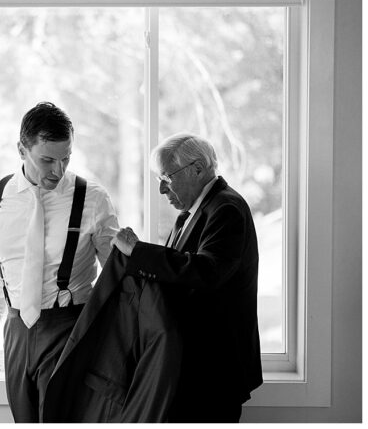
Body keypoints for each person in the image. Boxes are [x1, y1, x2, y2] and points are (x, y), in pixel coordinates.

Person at [0, 102, 119, 422]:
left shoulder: (92, 198)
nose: (58, 169)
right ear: (21, 150)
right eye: (47, 160)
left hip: (71, 329)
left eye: (66, 158)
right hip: (16, 331)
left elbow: (117, 276)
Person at [112, 132, 262, 423]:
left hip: (214, 373)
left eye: (166, 177)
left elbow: (207, 271)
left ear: (197, 168)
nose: (161, 190)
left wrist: (139, 252)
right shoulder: (194, 211)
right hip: (192, 369)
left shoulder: (226, 209)